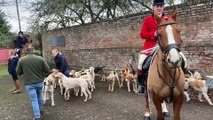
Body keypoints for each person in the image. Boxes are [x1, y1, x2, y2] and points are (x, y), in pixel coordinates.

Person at [137, 0, 188, 93]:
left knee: (184, 60)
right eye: (157, 6)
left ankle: (183, 81)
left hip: (167, 46)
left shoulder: (168, 18)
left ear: (163, 7)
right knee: (140, 63)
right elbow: (142, 34)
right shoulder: (148, 19)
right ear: (153, 7)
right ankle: (141, 84)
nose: (159, 8)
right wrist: (154, 34)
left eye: (161, 6)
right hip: (151, 47)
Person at [17, 46, 50, 120]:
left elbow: (18, 72)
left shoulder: (21, 60)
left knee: (34, 99)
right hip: (39, 82)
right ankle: (40, 110)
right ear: (34, 51)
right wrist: (42, 74)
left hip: (29, 84)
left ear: (26, 51)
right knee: (39, 96)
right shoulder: (40, 59)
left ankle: (37, 116)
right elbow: (47, 70)